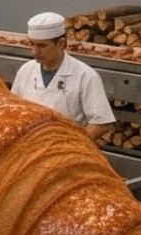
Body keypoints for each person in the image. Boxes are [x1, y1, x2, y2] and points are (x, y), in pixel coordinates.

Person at [11, 11, 117, 141]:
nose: (34, 51)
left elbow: (102, 123)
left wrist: (74, 145)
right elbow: (13, 110)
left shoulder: (85, 76)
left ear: (60, 43)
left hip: (65, 148)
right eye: (31, 44)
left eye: (42, 46)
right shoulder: (26, 70)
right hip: (31, 147)